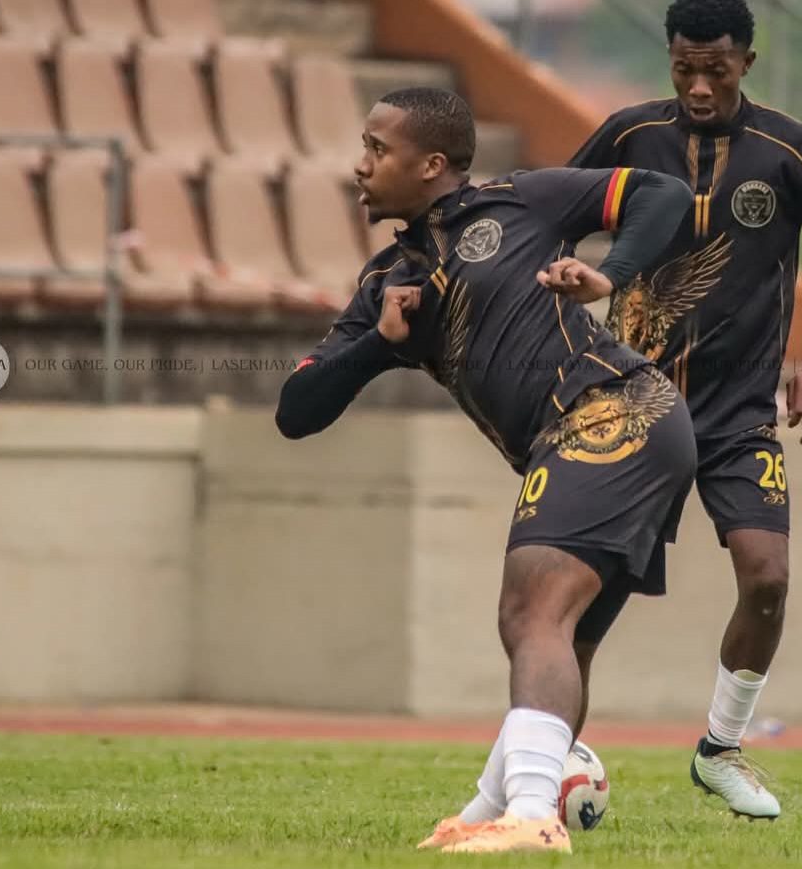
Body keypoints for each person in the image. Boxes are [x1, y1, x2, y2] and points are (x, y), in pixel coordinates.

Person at [276, 87, 697, 853]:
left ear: (431, 163)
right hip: (611, 430)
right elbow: (296, 411)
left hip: (616, 408)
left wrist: (612, 272)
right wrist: (379, 344)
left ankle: (533, 817)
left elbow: (662, 193)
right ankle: (486, 815)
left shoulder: (521, 201)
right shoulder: (385, 284)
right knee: (560, 635)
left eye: (377, 148)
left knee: (530, 613)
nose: (360, 164)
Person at [547, 0, 802, 819]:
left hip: (738, 417)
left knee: (767, 577)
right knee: (583, 608)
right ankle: (541, 773)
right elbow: (552, 217)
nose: (700, 87)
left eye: (718, 71)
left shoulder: (790, 152)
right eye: (685, 69)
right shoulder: (629, 137)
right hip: (635, 408)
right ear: (670, 60)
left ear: (747, 63)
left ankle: (720, 750)